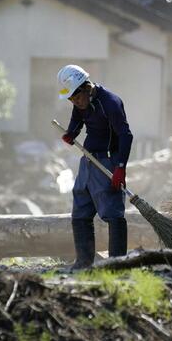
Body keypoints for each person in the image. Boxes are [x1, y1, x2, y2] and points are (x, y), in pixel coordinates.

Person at [57, 64, 133, 269]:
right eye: (71, 99)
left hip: (108, 161)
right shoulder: (80, 102)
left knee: (112, 213)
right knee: (80, 210)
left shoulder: (111, 103)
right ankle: (83, 262)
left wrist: (120, 167)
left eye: (77, 97)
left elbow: (126, 135)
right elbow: (78, 118)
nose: (75, 102)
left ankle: (116, 265)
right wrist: (72, 133)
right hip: (88, 160)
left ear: (87, 88)